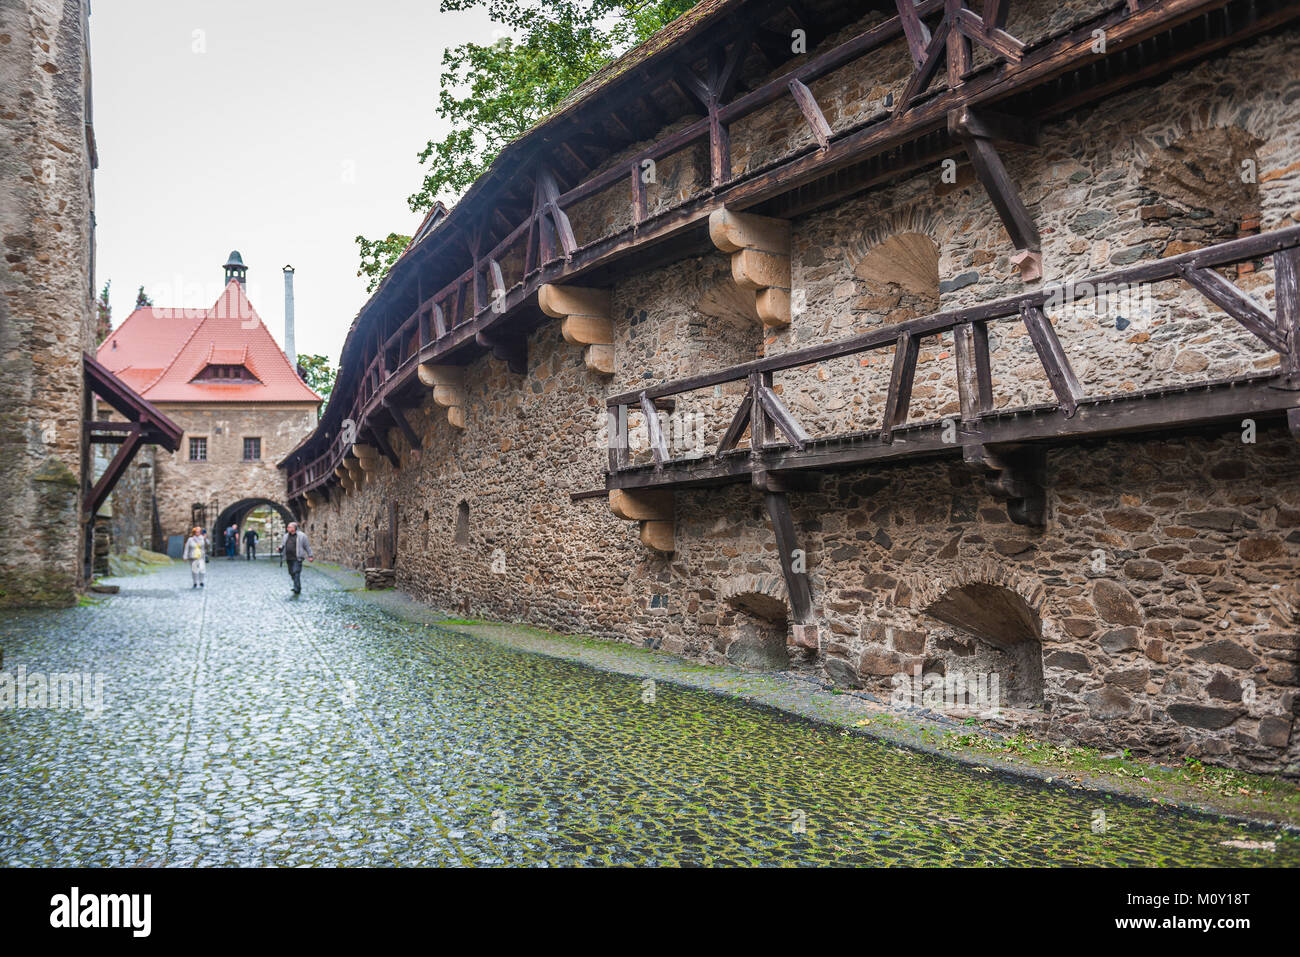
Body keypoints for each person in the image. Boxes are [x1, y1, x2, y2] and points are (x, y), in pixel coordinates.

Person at [278, 522, 313, 595]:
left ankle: (297, 588)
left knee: (296, 572)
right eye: (288, 527)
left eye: (289, 527)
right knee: (291, 572)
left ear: (294, 528)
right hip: (288, 557)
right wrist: (280, 548)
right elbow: (283, 544)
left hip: (297, 558)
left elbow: (307, 546)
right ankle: (297, 585)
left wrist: (310, 556)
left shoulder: (302, 536)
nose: (287, 528)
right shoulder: (285, 536)